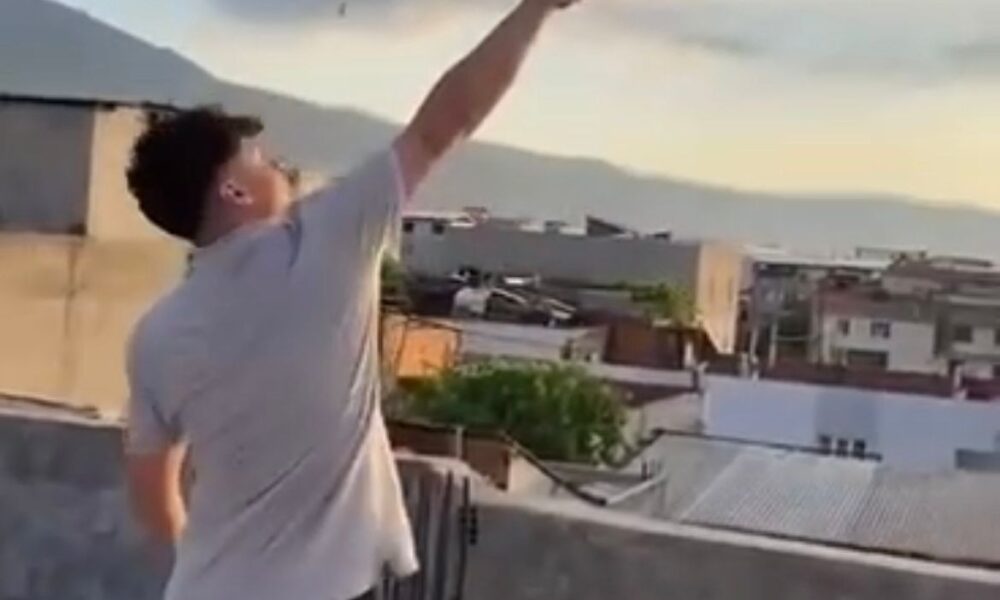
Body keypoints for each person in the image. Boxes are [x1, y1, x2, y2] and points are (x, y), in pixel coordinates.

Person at [122, 1, 583, 599]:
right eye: (259, 157)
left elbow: (150, 490)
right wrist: (538, 9)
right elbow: (449, 119)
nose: (279, 163)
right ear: (234, 189)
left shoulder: (157, 333)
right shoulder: (326, 239)